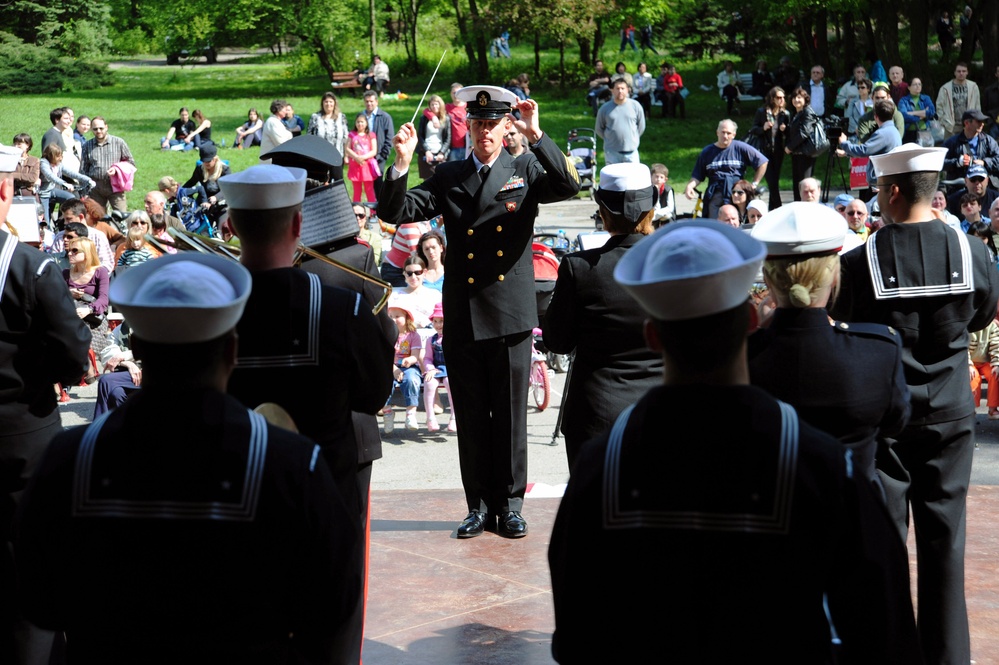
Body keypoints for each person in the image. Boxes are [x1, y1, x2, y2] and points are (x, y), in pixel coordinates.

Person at [550, 220, 921, 664]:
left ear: (652, 336)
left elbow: (576, 636)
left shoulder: (601, 466)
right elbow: (883, 629)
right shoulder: (819, 464)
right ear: (749, 321)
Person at [15, 253, 363, 662]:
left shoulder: (69, 458)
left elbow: (39, 601)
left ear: (139, 348)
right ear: (232, 349)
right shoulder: (292, 463)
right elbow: (331, 606)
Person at [380, 85, 580, 539]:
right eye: (478, 124)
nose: (485, 132)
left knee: (510, 418)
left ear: (506, 126)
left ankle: (509, 505)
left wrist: (538, 133)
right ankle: (477, 505)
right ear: (467, 127)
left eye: (493, 124)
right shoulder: (450, 174)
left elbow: (569, 185)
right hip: (465, 313)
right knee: (471, 419)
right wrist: (401, 161)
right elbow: (395, 209)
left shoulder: (525, 165)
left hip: (508, 312)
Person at [830, 144, 999, 665]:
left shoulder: (859, 261)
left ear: (893, 191)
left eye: (879, 189)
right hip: (951, 410)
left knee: (883, 549)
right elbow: (982, 314)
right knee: (946, 545)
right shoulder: (973, 251)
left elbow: (847, 321)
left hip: (885, 418)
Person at [220, 164, 393, 663]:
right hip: (325, 502)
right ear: (299, 225)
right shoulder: (342, 310)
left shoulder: (209, 309)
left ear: (230, 224)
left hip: (235, 503)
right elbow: (373, 395)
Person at [0, 144, 89, 662]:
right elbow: (74, 356)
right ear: (7, 191)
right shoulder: (31, 269)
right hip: (23, 441)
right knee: (30, 571)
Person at [749, 202, 910, 485]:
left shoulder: (739, 357)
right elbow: (894, 423)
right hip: (850, 517)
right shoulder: (878, 350)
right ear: (835, 275)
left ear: (768, 281)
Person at [543, 163, 663, 469]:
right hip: (663, 411)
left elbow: (557, 341)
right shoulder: (678, 261)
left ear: (603, 210)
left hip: (598, 414)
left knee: (594, 513)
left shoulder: (579, 267)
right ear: (651, 207)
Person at [684, 119, 768, 218]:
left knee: (737, 224)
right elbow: (697, 176)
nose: (725, 136)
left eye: (728, 133)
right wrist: (690, 186)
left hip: (736, 194)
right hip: (715, 193)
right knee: (715, 227)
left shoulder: (741, 148)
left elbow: (763, 162)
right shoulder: (707, 152)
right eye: (723, 132)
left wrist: (754, 183)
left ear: (734, 135)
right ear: (717, 132)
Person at [837, 99, 903, 189]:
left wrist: (844, 143)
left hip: (881, 181)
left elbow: (864, 150)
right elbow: (874, 150)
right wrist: (847, 153)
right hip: (886, 178)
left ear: (875, 117)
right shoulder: (893, 130)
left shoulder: (882, 133)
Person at [80, 116, 135, 212]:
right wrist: (84, 191)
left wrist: (117, 170)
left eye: (101, 128)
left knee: (121, 216)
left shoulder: (119, 142)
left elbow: (131, 163)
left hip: (115, 186)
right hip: (95, 188)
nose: (98, 131)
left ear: (106, 127)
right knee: (97, 218)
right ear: (91, 130)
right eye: (95, 129)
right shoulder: (87, 146)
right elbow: (83, 169)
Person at [384, 303, 423, 432]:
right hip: (390, 367)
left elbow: (415, 356)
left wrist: (409, 359)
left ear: (407, 318)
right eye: (390, 316)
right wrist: (394, 369)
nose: (393, 319)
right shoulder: (386, 335)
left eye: (397, 316)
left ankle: (411, 414)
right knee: (382, 382)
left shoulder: (413, 336)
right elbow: (383, 356)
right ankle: (387, 412)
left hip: (409, 367)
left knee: (412, 380)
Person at [749, 86, 790, 210]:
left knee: (775, 181)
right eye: (778, 97)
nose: (781, 100)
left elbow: (790, 133)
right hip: (764, 151)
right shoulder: (762, 112)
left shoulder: (785, 114)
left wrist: (786, 129)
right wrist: (763, 128)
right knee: (772, 181)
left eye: (783, 97)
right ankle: (778, 208)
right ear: (772, 98)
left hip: (778, 151)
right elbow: (753, 130)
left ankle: (773, 208)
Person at [39, 142, 94, 226]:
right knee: (45, 218)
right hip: (43, 193)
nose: (60, 158)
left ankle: (62, 220)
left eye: (61, 156)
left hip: (52, 190)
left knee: (71, 198)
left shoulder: (59, 165)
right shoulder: (43, 163)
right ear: (50, 155)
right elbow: (50, 176)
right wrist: (65, 184)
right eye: (58, 156)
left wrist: (88, 180)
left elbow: (71, 173)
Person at [595, 78, 645, 166]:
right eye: (617, 88)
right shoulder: (604, 108)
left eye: (622, 88)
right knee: (613, 179)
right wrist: (610, 138)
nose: (620, 91)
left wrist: (633, 138)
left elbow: (641, 127)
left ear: (627, 90)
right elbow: (599, 129)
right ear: (612, 90)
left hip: (631, 152)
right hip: (612, 152)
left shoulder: (636, 106)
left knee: (632, 179)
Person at [785, 87, 823, 202]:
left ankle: (806, 208)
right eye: (794, 98)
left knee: (805, 184)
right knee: (798, 184)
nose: (796, 100)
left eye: (799, 97)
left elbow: (804, 133)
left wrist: (789, 147)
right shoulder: (796, 114)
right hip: (797, 153)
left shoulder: (808, 112)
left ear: (805, 99)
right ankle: (798, 207)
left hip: (805, 154)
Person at [422, 302, 455, 432]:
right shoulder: (432, 340)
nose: (438, 325)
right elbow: (427, 358)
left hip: (450, 369)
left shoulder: (454, 339)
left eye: (441, 321)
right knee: (429, 383)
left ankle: (454, 416)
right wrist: (430, 368)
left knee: (450, 383)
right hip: (436, 369)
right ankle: (430, 417)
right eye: (435, 321)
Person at [182, 142, 231, 225]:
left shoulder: (225, 170)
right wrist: (180, 191)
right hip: (204, 201)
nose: (206, 163)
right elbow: (191, 182)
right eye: (204, 161)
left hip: (221, 203)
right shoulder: (200, 169)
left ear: (215, 159)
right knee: (201, 229)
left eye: (209, 161)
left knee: (222, 228)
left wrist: (216, 197)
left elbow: (229, 188)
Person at [942, 109, 999, 181]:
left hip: (984, 185)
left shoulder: (989, 141)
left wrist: (984, 163)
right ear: (966, 123)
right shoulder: (952, 142)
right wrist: (958, 162)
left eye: (982, 121)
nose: (982, 124)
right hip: (961, 186)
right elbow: (939, 162)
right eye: (978, 121)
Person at [391, 255, 441, 327]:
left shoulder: (435, 295)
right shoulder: (394, 295)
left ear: (425, 272)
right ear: (404, 274)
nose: (413, 277)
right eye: (409, 273)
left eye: (418, 272)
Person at [308, 91, 349, 180]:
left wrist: (346, 155)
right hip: (319, 156)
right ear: (322, 103)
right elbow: (309, 137)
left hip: (337, 155)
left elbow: (346, 137)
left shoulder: (341, 117)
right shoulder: (315, 117)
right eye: (326, 101)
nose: (328, 104)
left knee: (338, 180)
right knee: (321, 181)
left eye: (331, 101)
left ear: (334, 103)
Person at [937, 62, 981, 141]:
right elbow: (939, 106)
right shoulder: (945, 88)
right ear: (955, 73)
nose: (961, 73)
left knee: (969, 150)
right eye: (959, 71)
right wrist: (944, 122)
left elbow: (977, 106)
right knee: (950, 149)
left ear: (967, 72)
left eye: (964, 71)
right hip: (951, 126)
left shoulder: (973, 87)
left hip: (969, 124)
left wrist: (977, 121)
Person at [362, 90, 395, 194]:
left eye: (371, 101)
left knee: (378, 183)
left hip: (378, 157)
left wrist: (382, 155)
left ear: (376, 102)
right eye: (367, 101)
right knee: (365, 184)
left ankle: (379, 207)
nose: (369, 104)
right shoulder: (361, 116)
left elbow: (390, 138)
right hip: (363, 157)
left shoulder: (385, 117)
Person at [969, 319, 999, 419]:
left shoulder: (992, 326)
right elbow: (963, 347)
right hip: (971, 362)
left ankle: (992, 408)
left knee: (994, 374)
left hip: (985, 361)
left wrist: (996, 364)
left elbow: (996, 346)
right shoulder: (968, 326)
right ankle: (970, 409)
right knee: (974, 378)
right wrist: (968, 364)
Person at [346, 113, 379, 203]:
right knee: (357, 190)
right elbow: (347, 148)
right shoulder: (352, 134)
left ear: (366, 123)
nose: (360, 124)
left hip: (367, 166)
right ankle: (357, 211)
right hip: (355, 166)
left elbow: (374, 151)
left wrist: (363, 157)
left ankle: (373, 212)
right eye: (358, 122)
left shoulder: (371, 135)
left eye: (362, 122)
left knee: (369, 190)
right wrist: (356, 157)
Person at [417, 94, 451, 179]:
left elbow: (448, 137)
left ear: (440, 105)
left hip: (440, 153)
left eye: (436, 104)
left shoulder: (446, 118)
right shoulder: (424, 118)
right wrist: (427, 151)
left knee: (441, 180)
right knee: (427, 181)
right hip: (426, 153)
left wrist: (442, 152)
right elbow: (420, 135)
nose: (434, 106)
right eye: (432, 104)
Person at [898, 78, 936, 144]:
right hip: (909, 133)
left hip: (924, 132)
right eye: (915, 84)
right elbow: (904, 116)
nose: (918, 86)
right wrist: (922, 115)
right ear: (909, 87)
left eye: (919, 84)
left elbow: (932, 112)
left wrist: (913, 113)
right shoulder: (904, 100)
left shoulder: (926, 98)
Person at [445, 82, 468, 162]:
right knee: (453, 172)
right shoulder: (447, 107)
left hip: (468, 147)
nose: (456, 95)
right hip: (452, 148)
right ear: (450, 94)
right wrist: (433, 117)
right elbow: (427, 110)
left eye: (458, 93)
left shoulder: (468, 107)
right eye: (454, 93)